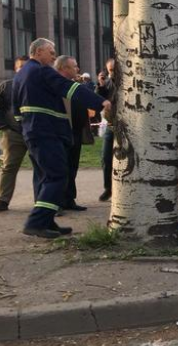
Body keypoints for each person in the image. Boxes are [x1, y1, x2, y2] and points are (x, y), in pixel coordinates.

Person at [12, 39, 109, 238]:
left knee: (45, 177)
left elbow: (16, 111)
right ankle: (36, 222)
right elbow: (70, 88)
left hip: (32, 133)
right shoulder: (42, 71)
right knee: (57, 176)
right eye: (51, 52)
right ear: (39, 52)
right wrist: (101, 103)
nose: (54, 56)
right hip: (47, 133)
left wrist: (27, 129)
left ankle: (47, 221)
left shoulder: (21, 75)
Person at [55, 55, 92, 212]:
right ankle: (57, 202)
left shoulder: (76, 85)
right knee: (60, 168)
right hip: (61, 132)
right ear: (64, 68)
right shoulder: (56, 85)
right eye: (74, 66)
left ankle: (69, 199)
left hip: (75, 131)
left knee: (72, 166)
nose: (78, 69)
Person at [0, 56, 30, 211]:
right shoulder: (6, 86)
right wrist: (4, 125)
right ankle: (2, 200)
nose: (24, 70)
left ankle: (44, 202)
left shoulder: (39, 85)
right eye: (21, 67)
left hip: (35, 133)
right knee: (8, 166)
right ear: (15, 69)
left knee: (42, 168)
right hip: (13, 133)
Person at [95, 58, 117, 202]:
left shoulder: (127, 82)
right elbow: (97, 100)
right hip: (111, 124)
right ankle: (108, 188)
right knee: (106, 157)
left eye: (114, 70)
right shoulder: (108, 83)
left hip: (127, 125)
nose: (112, 73)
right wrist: (101, 86)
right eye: (110, 70)